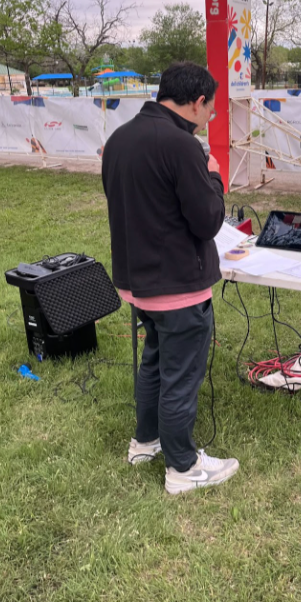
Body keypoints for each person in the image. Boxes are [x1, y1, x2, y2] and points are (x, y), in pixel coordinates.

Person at [102, 61, 237, 495]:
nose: (208, 119)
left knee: (155, 365)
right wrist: (214, 176)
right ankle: (183, 466)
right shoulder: (182, 146)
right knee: (180, 377)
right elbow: (208, 220)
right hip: (178, 287)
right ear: (198, 103)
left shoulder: (120, 138)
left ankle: (145, 441)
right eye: (210, 111)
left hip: (137, 283)